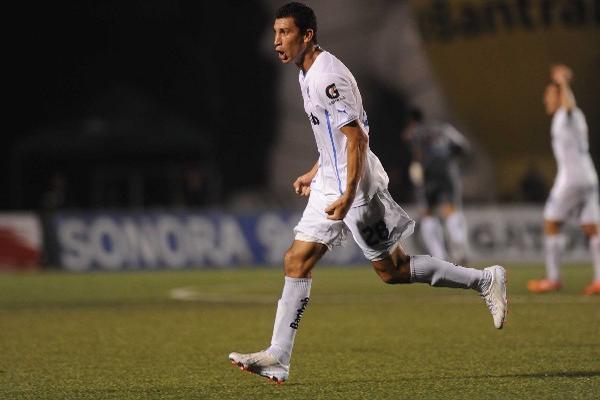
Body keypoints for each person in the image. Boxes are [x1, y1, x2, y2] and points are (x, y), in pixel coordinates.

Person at [229, 2, 507, 384]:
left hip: (356, 185)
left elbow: (357, 138)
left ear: (307, 35)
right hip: (331, 180)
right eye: (275, 32)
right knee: (296, 261)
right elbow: (334, 137)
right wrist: (315, 172)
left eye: (285, 33)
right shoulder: (305, 71)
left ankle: (484, 280)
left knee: (393, 271)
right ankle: (278, 356)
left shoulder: (327, 76)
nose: (277, 40)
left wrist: (346, 194)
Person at [527, 65, 600, 296]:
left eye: (548, 95)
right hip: (588, 176)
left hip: (572, 178)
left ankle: (553, 279)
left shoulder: (566, 114)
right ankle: (599, 279)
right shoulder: (572, 116)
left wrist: (563, 82)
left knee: (551, 222)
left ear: (559, 96)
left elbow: (569, 105)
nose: (544, 99)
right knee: (592, 228)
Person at [404, 108, 471, 263]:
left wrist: (418, 165)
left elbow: (415, 150)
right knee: (451, 210)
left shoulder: (414, 131)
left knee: (428, 213)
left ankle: (440, 257)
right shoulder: (445, 129)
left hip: (427, 174)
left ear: (411, 121)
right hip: (447, 172)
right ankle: (461, 251)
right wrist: (450, 161)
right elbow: (463, 147)